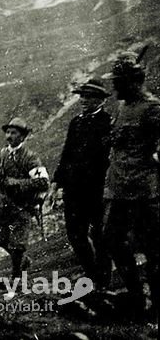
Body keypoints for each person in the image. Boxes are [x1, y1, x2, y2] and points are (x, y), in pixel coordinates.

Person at [102, 51, 160, 320]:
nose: (114, 87)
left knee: (151, 248)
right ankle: (137, 296)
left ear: (132, 81)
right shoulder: (123, 107)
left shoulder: (152, 108)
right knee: (112, 240)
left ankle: (155, 306)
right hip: (120, 189)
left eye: (118, 81)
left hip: (143, 192)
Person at [47, 78, 112, 288]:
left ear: (100, 100)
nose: (83, 100)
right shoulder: (76, 122)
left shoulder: (108, 122)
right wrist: (56, 183)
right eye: (82, 96)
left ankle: (103, 281)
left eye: (89, 96)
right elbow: (66, 155)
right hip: (73, 190)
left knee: (99, 236)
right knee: (75, 235)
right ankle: (93, 275)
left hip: (96, 190)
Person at [0, 117, 49, 279]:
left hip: (22, 206)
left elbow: (43, 182)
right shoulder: (0, 154)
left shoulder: (29, 157)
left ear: (22, 136)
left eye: (13, 133)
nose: (9, 136)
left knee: (17, 244)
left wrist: (19, 183)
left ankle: (16, 278)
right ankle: (23, 261)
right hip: (2, 206)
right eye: (7, 132)